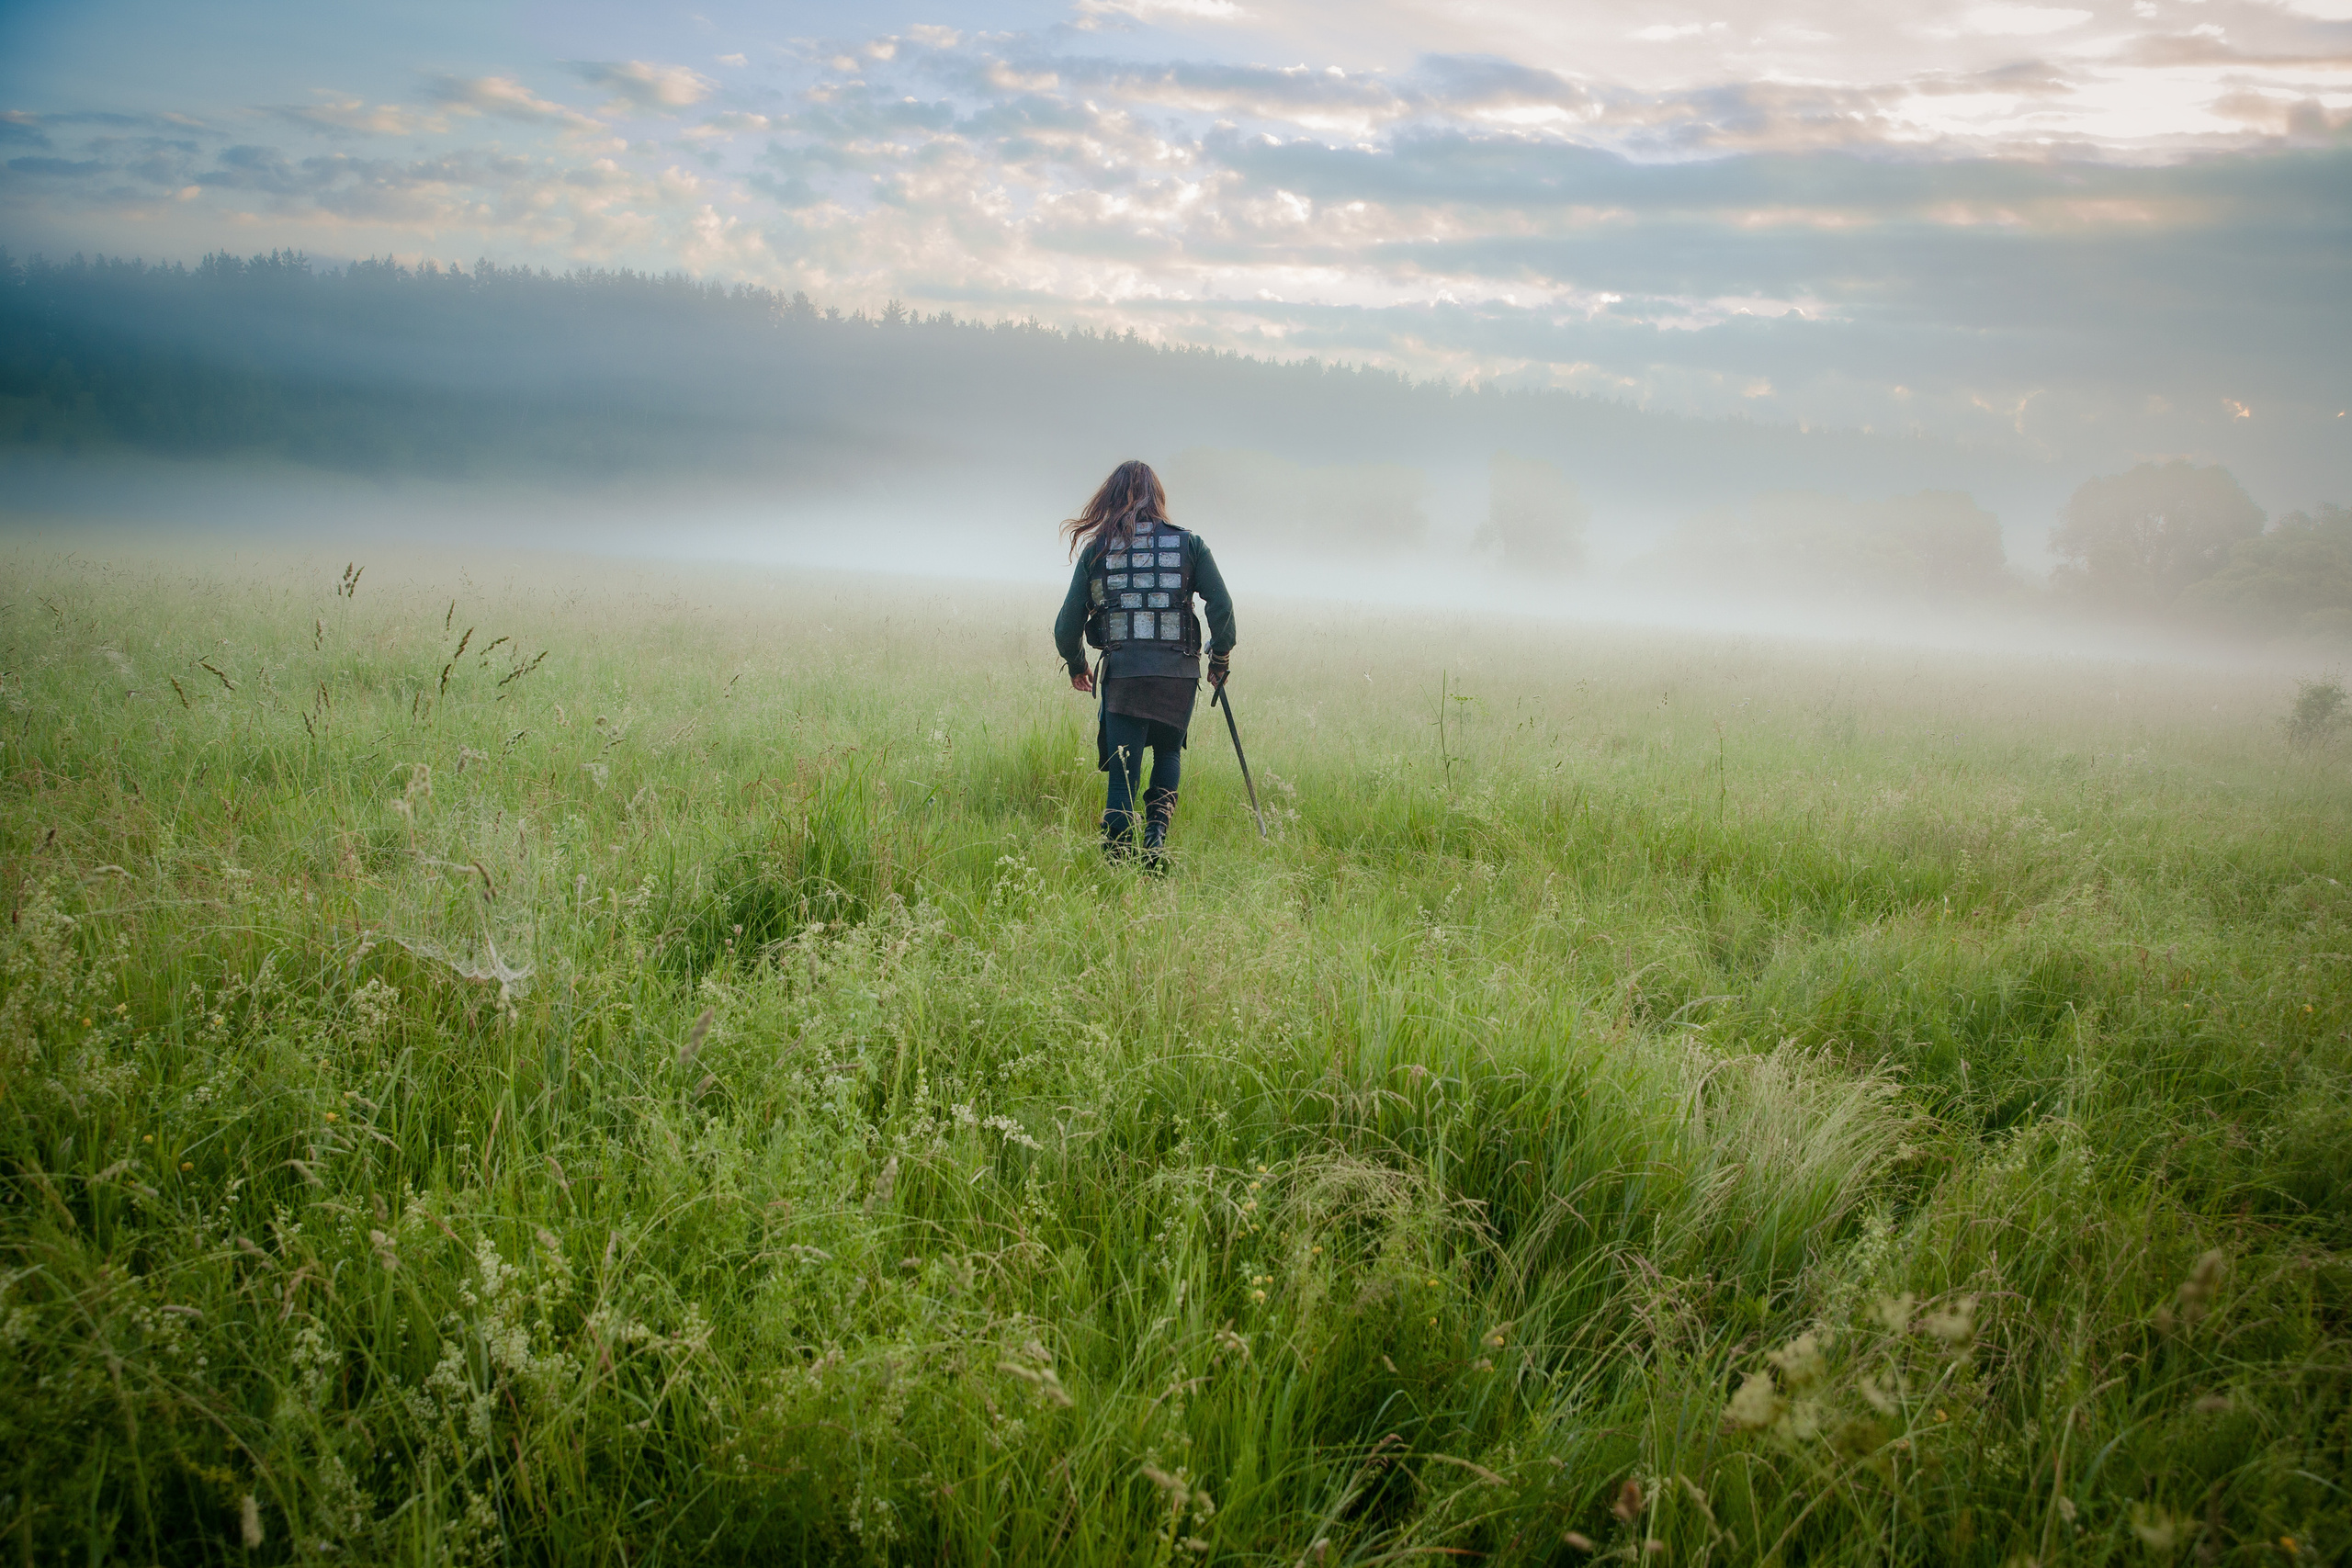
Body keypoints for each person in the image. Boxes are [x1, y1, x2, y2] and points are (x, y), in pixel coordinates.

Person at [1052, 459, 1237, 867]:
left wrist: (1077, 664)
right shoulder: (1190, 544)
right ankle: (1155, 838)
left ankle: (1117, 857)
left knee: (1123, 769)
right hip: (1179, 674)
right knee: (1169, 752)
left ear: (1110, 497)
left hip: (1126, 674)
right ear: (1158, 496)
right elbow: (1221, 607)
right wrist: (1219, 658)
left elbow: (1066, 628)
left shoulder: (1097, 551)